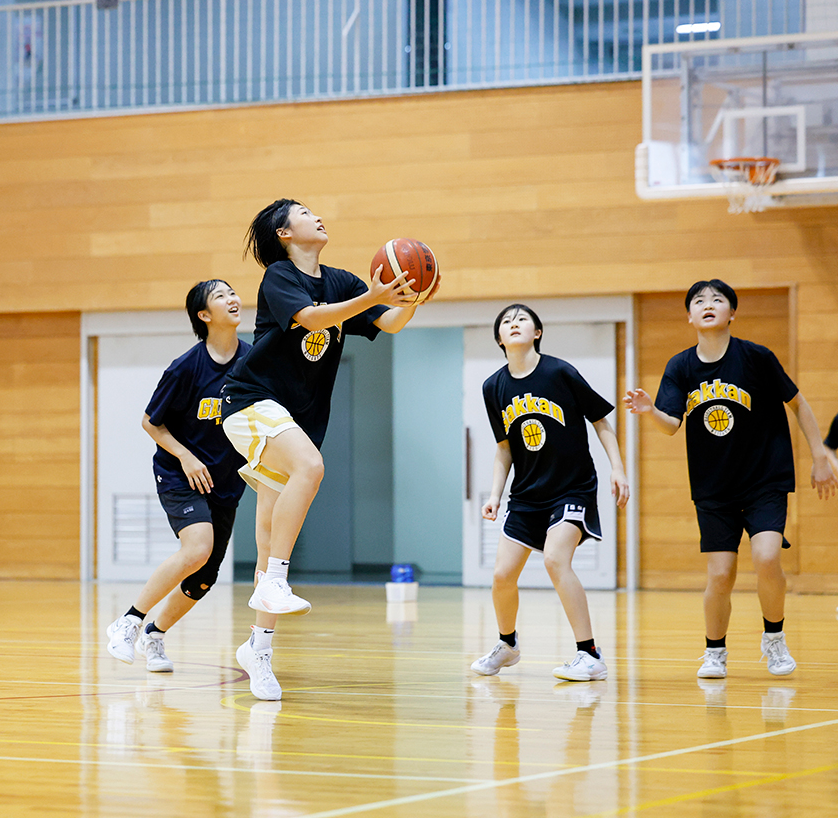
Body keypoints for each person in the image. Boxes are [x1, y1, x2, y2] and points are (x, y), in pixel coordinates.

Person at [221, 199, 436, 700]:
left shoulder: (340, 280)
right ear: (284, 232)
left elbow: (387, 323)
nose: (316, 216)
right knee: (311, 467)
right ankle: (278, 579)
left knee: (271, 533)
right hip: (250, 402)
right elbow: (314, 320)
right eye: (303, 212)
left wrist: (414, 297)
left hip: (294, 421)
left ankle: (260, 649)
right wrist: (373, 297)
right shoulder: (278, 276)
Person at [625, 279, 837, 679]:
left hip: (765, 479)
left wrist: (820, 456)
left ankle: (773, 639)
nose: (708, 305)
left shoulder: (756, 358)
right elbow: (671, 424)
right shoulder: (680, 366)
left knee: (767, 557)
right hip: (713, 486)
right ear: (689, 316)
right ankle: (715, 652)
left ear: (732, 313)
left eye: (718, 300)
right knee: (720, 575)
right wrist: (650, 410)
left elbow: (798, 403)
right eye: (699, 301)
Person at [470, 304, 629, 682]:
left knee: (556, 559)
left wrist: (618, 468)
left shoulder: (560, 372)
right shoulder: (493, 387)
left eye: (522, 319)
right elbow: (504, 447)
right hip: (527, 494)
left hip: (571, 486)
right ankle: (507, 645)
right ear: (499, 339)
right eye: (506, 321)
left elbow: (601, 421)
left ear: (537, 332)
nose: (514, 323)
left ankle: (589, 655)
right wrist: (495, 494)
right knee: (501, 575)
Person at [105, 280, 250, 672]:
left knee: (204, 577)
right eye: (221, 296)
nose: (232, 299)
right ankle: (129, 621)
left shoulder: (252, 362)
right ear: (204, 315)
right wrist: (186, 457)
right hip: (179, 473)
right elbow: (151, 423)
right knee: (197, 547)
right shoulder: (186, 367)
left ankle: (155, 634)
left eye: (232, 292)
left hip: (225, 481)